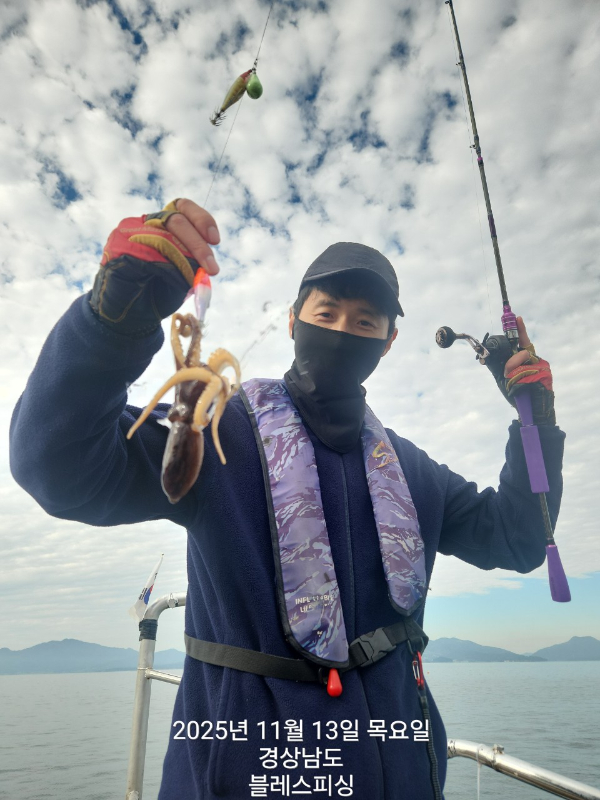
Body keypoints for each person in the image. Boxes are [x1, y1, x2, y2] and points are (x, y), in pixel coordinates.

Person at [10, 198, 564, 800]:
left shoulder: (411, 472)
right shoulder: (214, 433)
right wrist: (111, 323)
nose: (343, 331)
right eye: (327, 312)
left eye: (365, 322)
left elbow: (519, 536)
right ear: (295, 320)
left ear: (387, 342)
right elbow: (58, 466)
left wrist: (534, 418)